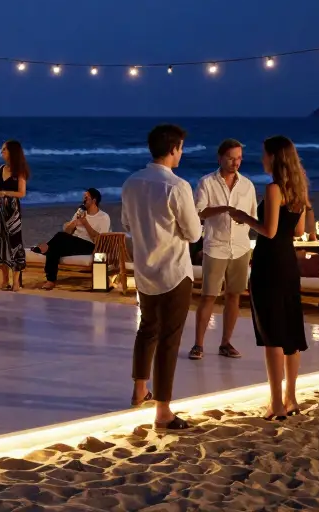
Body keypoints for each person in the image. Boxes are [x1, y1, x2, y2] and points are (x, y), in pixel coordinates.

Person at [121, 124, 202, 430]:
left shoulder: (131, 183)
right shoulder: (177, 186)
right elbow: (193, 232)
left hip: (144, 269)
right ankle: (163, 410)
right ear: (172, 149)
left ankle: (140, 388)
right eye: (180, 148)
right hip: (174, 270)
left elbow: (127, 223)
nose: (181, 153)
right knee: (169, 338)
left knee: (147, 329)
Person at [229, 135, 310, 421]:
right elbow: (298, 231)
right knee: (290, 331)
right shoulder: (299, 188)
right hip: (288, 263)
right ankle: (291, 398)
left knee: (272, 333)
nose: (261, 158)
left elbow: (270, 231)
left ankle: (276, 403)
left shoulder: (274, 189)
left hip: (269, 263)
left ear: (274, 157)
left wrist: (245, 217)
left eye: (264, 154)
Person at [190, 139, 257, 362]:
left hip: (240, 247)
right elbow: (199, 212)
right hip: (216, 246)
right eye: (231, 158)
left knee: (234, 296)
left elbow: (253, 216)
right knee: (208, 296)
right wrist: (225, 209)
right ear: (220, 158)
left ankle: (225, 343)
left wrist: (243, 220)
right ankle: (198, 344)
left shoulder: (247, 185)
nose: (235, 162)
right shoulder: (206, 182)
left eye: (239, 158)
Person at [31, 188, 110, 290]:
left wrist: (85, 223)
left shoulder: (103, 217)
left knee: (59, 237)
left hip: (90, 245)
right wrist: (73, 223)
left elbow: (100, 239)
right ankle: (50, 280)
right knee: (54, 248)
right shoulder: (80, 212)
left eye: (86, 198)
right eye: (83, 197)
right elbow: (67, 232)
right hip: (73, 242)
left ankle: (45, 248)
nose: (84, 200)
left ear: (94, 201)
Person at [0, 140, 30, 291]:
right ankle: (5, 279)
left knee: (14, 243)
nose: (2, 152)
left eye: (4, 150)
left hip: (12, 212)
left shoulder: (19, 170)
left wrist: (5, 193)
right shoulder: (1, 169)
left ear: (12, 152)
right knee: (0, 243)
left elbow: (21, 193)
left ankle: (16, 282)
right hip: (0, 210)